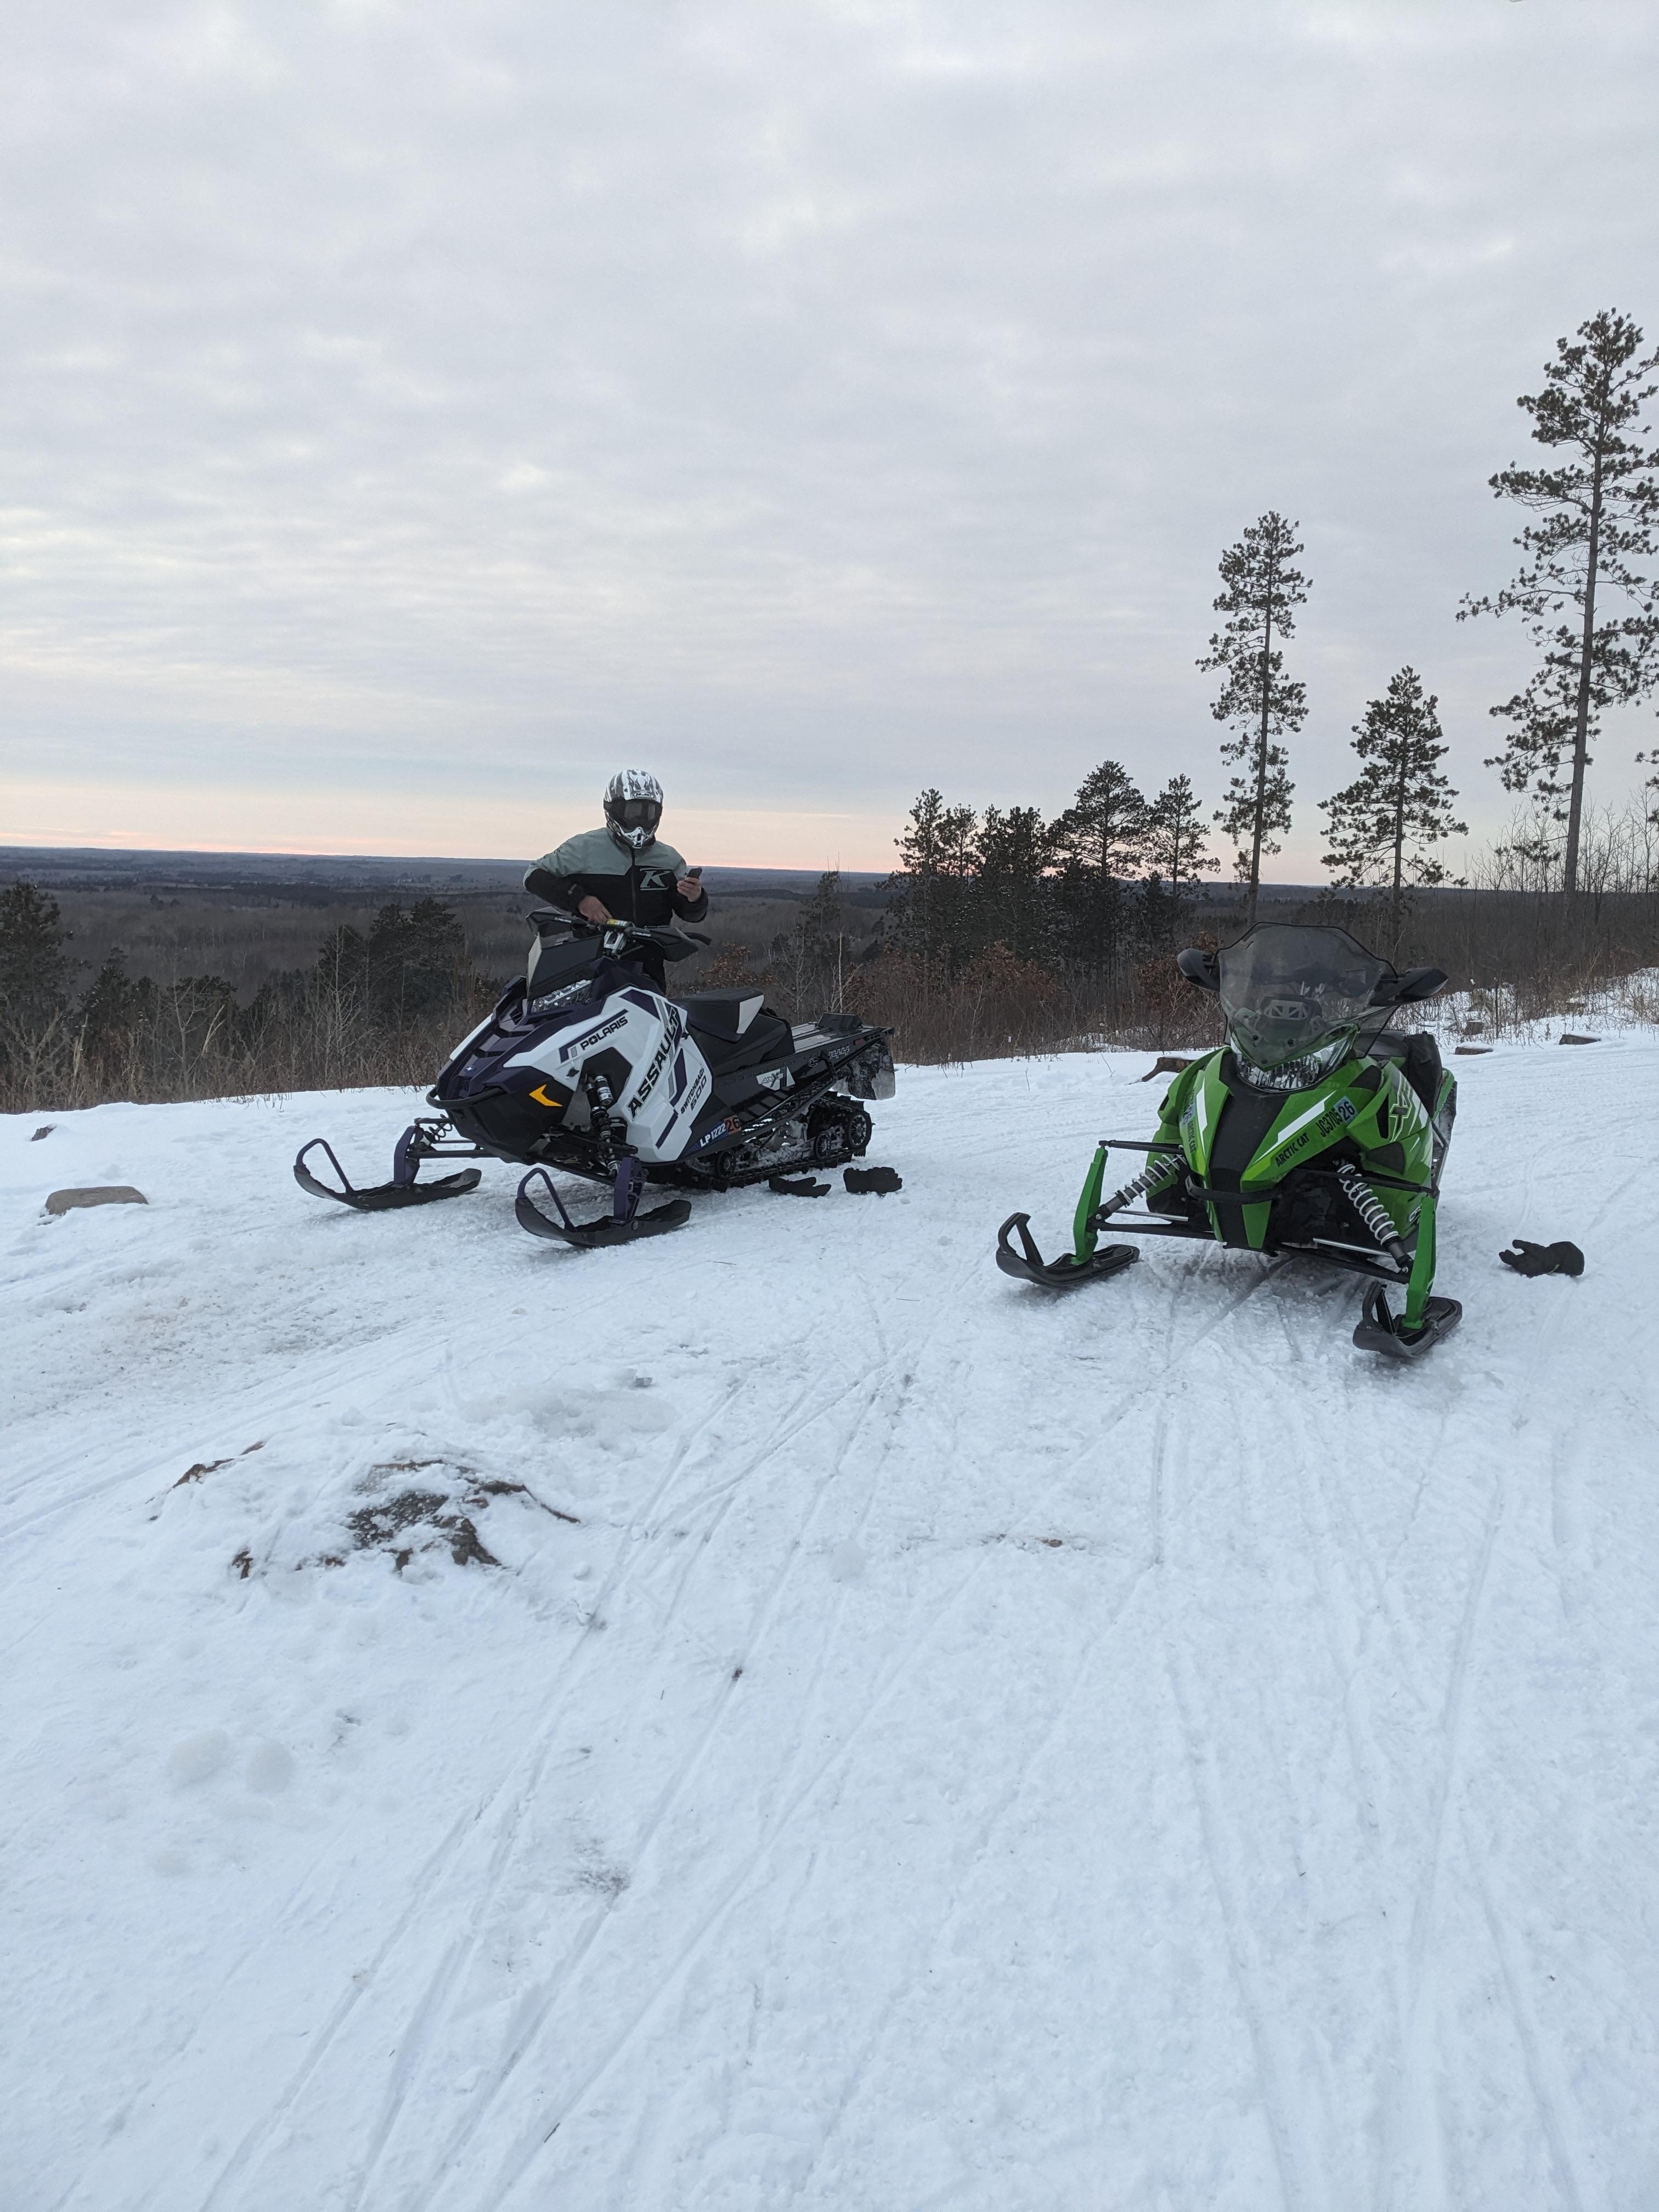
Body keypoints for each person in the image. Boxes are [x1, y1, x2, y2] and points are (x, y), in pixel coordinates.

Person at [524, 769, 708, 989]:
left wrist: (695, 898)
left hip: (647, 965)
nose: (640, 820)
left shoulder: (669, 859)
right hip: (590, 961)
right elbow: (534, 875)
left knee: (647, 1011)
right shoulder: (584, 847)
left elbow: (690, 914)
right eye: (632, 811)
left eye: (648, 812)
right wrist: (580, 900)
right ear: (613, 809)